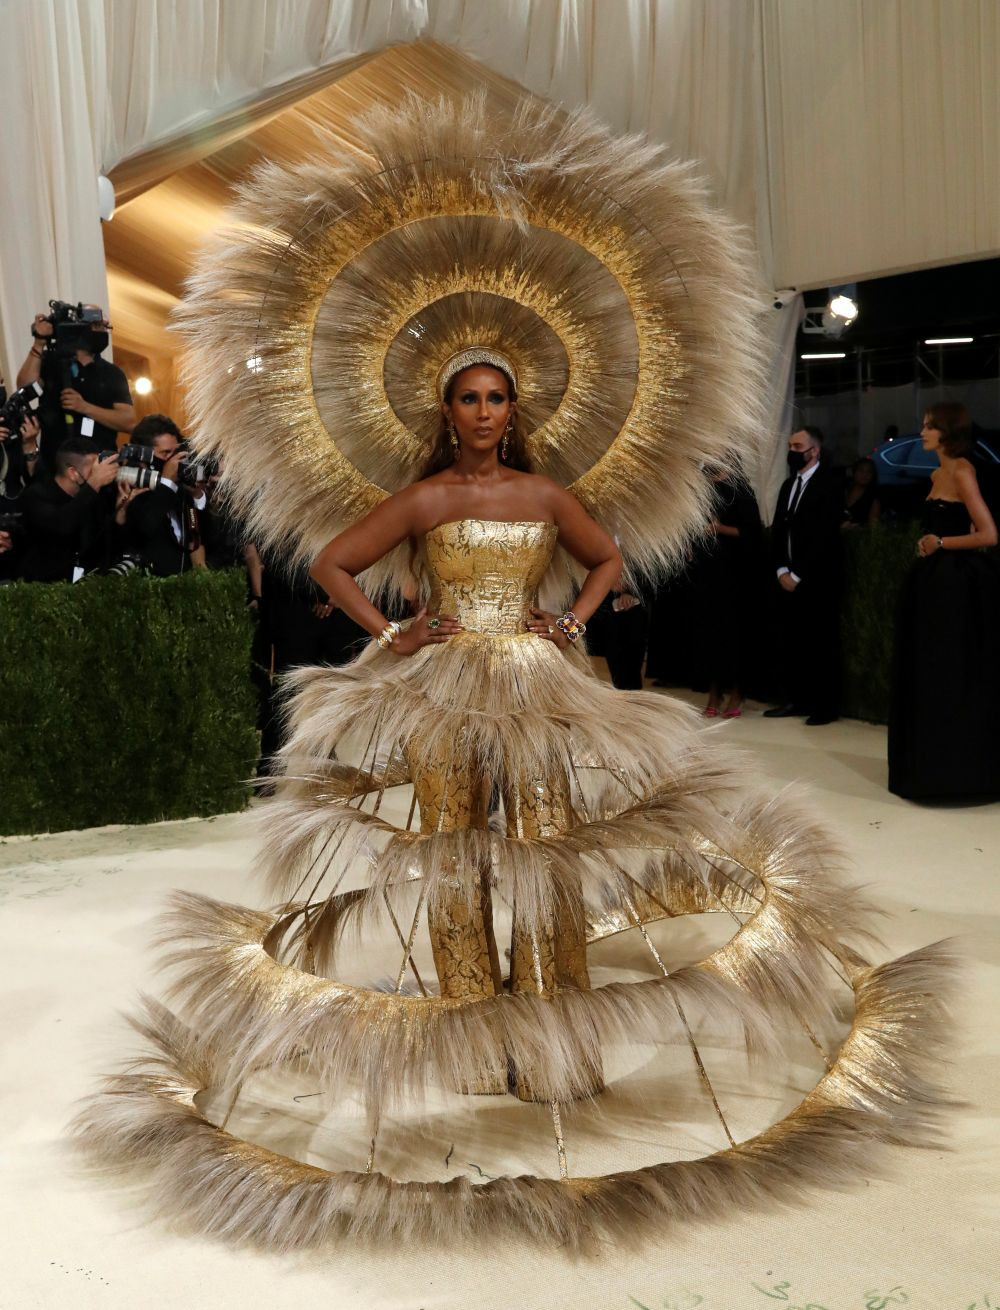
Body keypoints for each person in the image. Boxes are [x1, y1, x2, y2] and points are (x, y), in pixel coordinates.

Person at [888, 403, 1000, 799]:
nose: (922, 433)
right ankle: (929, 768)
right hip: (933, 584)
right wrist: (931, 544)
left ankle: (958, 774)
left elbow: (989, 534)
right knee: (929, 674)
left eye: (929, 427)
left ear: (947, 432)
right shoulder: (937, 473)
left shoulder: (963, 471)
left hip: (957, 588)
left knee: (952, 674)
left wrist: (941, 542)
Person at [764, 426, 844, 725]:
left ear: (815, 451)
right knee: (792, 641)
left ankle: (825, 706)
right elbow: (779, 531)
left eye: (797, 447)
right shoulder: (789, 485)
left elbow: (824, 536)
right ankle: (796, 699)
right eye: (790, 446)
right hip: (787, 577)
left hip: (817, 580)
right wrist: (781, 569)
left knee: (820, 643)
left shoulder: (830, 485)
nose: (792, 452)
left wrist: (798, 574)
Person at [15, 308, 135, 466]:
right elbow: (24, 388)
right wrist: (39, 343)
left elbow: (128, 422)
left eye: (105, 326)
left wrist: (85, 407)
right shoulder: (52, 362)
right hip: (55, 464)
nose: (103, 331)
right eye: (97, 325)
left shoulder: (112, 373)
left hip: (99, 465)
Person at [690, 469, 764, 717]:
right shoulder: (702, 487)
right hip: (707, 570)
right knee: (708, 633)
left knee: (735, 634)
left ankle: (737, 692)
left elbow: (752, 533)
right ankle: (714, 692)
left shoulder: (741, 490)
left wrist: (720, 528)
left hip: (736, 574)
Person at [19, 437, 119, 581]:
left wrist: (122, 509)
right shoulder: (36, 496)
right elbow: (62, 525)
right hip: (43, 585)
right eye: (94, 469)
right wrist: (94, 483)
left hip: (85, 584)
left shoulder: (95, 496)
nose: (99, 474)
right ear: (73, 472)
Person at [119, 414, 206, 575]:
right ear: (144, 456)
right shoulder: (131, 486)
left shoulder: (179, 486)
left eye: (175, 452)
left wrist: (197, 496)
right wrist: (166, 482)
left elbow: (202, 536)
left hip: (185, 582)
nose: (172, 460)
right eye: (165, 453)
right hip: (150, 583)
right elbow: (145, 529)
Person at [842, 456, 881, 529]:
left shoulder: (873, 497)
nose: (864, 475)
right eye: (861, 471)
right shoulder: (844, 489)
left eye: (869, 472)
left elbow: (873, 525)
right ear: (854, 472)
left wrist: (857, 527)